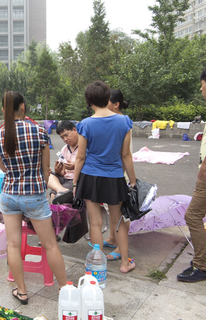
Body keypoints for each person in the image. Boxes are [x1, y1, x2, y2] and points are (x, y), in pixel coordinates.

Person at [0, 91, 67, 305]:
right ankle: (64, 288)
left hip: (9, 195)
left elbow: (4, 169)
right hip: (34, 195)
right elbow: (45, 170)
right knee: (50, 244)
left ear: (4, 110)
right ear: (23, 107)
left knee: (13, 245)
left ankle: (22, 291)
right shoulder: (39, 131)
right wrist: (40, 184)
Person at [73, 81, 136, 274]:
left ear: (89, 100)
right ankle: (125, 263)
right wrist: (133, 181)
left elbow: (81, 156)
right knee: (118, 222)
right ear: (107, 97)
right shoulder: (124, 121)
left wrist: (75, 182)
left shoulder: (85, 124)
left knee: (96, 223)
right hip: (115, 177)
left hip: (91, 177)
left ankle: (96, 263)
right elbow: (126, 155)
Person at [177, 65, 206, 282]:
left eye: (202, 84)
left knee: (192, 216)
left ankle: (201, 266)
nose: (201, 88)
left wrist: (204, 167)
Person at [103, 89, 133, 262]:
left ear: (116, 104)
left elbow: (125, 154)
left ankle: (121, 249)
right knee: (112, 212)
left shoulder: (123, 122)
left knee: (119, 215)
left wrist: (121, 177)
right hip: (113, 175)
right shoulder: (115, 121)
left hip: (119, 175)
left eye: (107, 102)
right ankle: (113, 239)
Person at [48, 120, 79, 204]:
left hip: (76, 179)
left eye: (66, 135)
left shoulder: (84, 147)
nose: (65, 139)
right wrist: (59, 172)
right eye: (62, 137)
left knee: (54, 196)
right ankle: (60, 189)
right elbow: (63, 173)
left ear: (74, 130)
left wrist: (75, 166)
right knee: (46, 173)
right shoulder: (65, 149)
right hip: (65, 178)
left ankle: (60, 191)